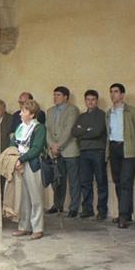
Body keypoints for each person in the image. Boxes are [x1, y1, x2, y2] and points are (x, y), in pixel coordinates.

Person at [106, 83, 135, 228]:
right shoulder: (109, 112)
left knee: (126, 181)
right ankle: (126, 212)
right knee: (118, 181)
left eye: (116, 92)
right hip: (114, 147)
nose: (113, 94)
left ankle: (123, 215)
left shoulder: (132, 111)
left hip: (128, 148)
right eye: (111, 92)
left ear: (122, 94)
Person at [12, 99, 47, 240]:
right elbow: (13, 142)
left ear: (32, 114)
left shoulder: (39, 128)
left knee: (36, 197)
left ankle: (37, 228)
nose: (20, 113)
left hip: (32, 165)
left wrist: (21, 159)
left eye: (24, 111)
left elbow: (36, 149)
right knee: (24, 197)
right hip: (19, 163)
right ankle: (24, 226)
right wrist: (15, 158)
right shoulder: (20, 127)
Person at [71, 90, 109, 220]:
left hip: (98, 151)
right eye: (88, 99)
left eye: (93, 99)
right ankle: (87, 209)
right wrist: (86, 130)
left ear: (96, 101)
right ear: (85, 101)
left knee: (101, 182)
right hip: (83, 152)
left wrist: (83, 132)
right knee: (85, 182)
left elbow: (97, 132)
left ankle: (102, 210)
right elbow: (74, 131)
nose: (90, 102)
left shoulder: (102, 115)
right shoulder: (81, 116)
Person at [46, 86, 80, 216]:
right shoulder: (50, 111)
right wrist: (51, 145)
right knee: (57, 180)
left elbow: (69, 130)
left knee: (73, 180)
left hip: (69, 150)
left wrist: (58, 146)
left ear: (66, 97)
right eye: (54, 95)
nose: (55, 97)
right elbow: (47, 130)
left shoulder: (72, 110)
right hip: (54, 150)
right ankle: (57, 204)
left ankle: (73, 207)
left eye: (58, 95)